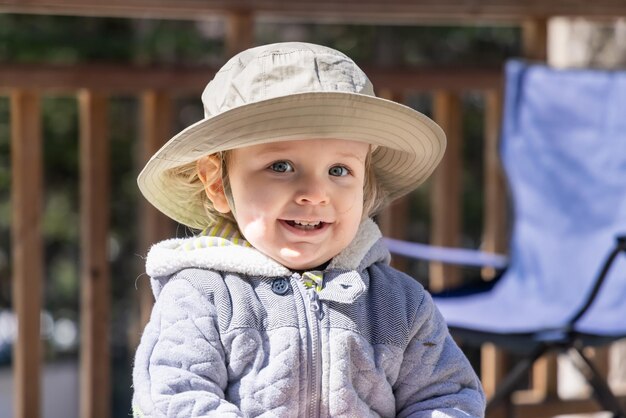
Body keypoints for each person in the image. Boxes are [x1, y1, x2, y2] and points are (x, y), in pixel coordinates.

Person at [132, 42, 485, 417]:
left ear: (364, 187)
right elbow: (176, 398)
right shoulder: (202, 295)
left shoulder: (399, 303)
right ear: (218, 184)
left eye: (339, 171)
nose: (315, 194)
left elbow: (447, 396)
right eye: (281, 166)